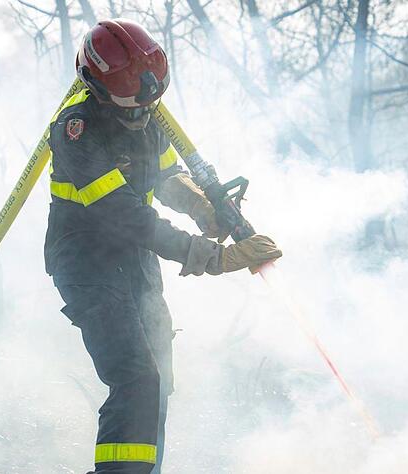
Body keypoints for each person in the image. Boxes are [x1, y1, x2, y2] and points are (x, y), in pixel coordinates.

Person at [45, 19, 282, 474]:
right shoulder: (76, 131)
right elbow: (125, 215)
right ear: (97, 87)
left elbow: (167, 175)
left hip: (135, 262)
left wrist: (200, 206)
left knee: (158, 380)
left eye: (150, 100)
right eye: (133, 101)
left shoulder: (148, 116)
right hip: (87, 263)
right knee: (135, 378)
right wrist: (215, 258)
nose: (144, 110)